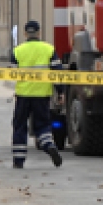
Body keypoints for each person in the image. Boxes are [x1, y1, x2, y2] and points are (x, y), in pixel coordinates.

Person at [10, 20, 62, 169]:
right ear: (39, 33)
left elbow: (11, 73)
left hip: (23, 94)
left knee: (19, 126)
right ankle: (49, 145)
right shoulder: (48, 49)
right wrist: (61, 92)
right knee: (43, 125)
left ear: (25, 33)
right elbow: (58, 73)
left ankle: (18, 160)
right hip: (42, 95)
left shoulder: (18, 50)